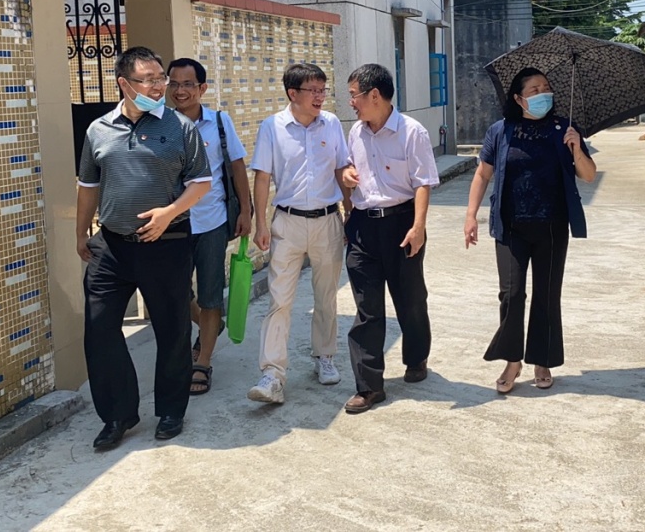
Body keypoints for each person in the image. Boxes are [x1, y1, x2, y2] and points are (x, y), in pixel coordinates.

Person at [76, 46, 211, 449]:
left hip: (166, 243)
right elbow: (88, 186)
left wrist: (170, 212)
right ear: (124, 83)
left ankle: (171, 410)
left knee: (172, 330)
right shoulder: (99, 130)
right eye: (148, 80)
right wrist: (81, 232)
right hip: (112, 246)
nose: (158, 87)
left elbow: (201, 182)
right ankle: (118, 414)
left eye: (159, 79)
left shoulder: (180, 127)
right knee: (100, 330)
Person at [464, 67, 597, 394]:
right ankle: (513, 360)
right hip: (510, 227)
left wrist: (576, 148)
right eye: (535, 90)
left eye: (546, 88)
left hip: (552, 226)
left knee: (547, 295)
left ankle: (542, 359)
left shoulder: (564, 129)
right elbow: (482, 174)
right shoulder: (501, 130)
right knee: (511, 294)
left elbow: (589, 175)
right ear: (518, 98)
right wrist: (470, 215)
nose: (543, 94)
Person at [338, 64, 440, 414]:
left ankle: (416, 357)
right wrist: (347, 178)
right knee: (367, 309)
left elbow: (423, 182)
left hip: (402, 225)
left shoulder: (412, 132)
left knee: (410, 300)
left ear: (374, 95)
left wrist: (419, 226)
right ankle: (369, 386)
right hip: (363, 226)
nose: (351, 102)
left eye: (354, 95)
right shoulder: (356, 132)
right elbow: (348, 168)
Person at [248, 63, 351, 404]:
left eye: (323, 90)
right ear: (293, 93)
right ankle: (272, 374)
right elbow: (262, 176)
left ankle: (325, 356)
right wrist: (261, 225)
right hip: (287, 222)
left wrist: (350, 212)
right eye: (313, 91)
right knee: (280, 299)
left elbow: (341, 168)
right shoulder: (272, 127)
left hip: (327, 220)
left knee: (326, 295)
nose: (320, 97)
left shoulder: (331, 123)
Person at [167, 57, 252, 396]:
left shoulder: (218, 122)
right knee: (176, 292)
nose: (180, 91)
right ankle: (208, 327)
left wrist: (246, 211)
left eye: (188, 84)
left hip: (212, 221)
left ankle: (202, 362)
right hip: (173, 223)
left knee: (211, 292)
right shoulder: (160, 124)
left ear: (201, 88)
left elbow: (237, 166)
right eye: (174, 84)